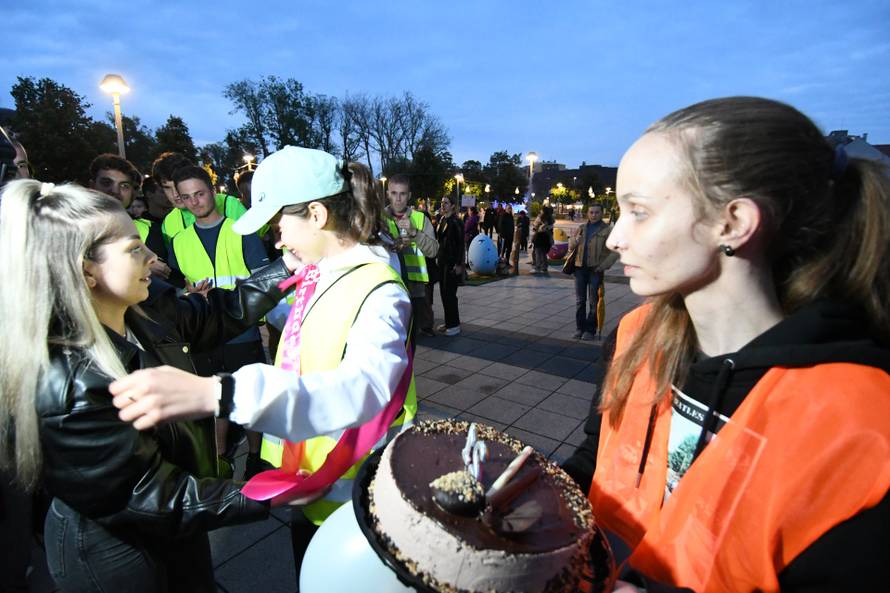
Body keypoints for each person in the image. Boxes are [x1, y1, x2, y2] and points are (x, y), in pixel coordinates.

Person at [578, 97, 890, 592]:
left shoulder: (860, 423)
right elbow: (594, 461)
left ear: (734, 223)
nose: (615, 237)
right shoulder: (635, 337)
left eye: (638, 212)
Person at [109, 146, 417, 585]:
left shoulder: (380, 290)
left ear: (316, 215)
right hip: (312, 483)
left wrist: (223, 393)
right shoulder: (320, 271)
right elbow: (297, 329)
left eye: (278, 225)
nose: (277, 241)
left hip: (355, 494)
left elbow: (366, 387)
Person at [0, 180, 299, 593]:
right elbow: (150, 496)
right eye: (133, 248)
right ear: (86, 271)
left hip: (174, 526)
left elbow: (215, 314)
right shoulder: (68, 381)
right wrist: (268, 494)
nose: (152, 256)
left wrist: (287, 270)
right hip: (120, 553)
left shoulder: (141, 303)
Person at [167, 165, 270, 479]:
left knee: (250, 399)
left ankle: (255, 458)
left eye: (200, 193)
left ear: (213, 192)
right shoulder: (179, 242)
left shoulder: (241, 231)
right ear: (181, 201)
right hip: (203, 335)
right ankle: (221, 459)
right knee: (216, 400)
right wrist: (188, 295)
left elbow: (261, 282)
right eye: (187, 197)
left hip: (242, 332)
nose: (195, 202)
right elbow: (179, 286)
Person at [90, 153, 172, 281]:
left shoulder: (149, 229)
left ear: (132, 194)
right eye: (106, 182)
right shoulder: (73, 228)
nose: (115, 191)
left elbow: (164, 275)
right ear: (92, 186)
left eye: (124, 186)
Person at [152, 152, 247, 247]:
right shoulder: (169, 223)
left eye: (177, 185)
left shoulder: (230, 205)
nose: (175, 194)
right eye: (167, 187)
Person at [384, 173, 439, 339]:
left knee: (410, 341)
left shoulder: (420, 219)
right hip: (387, 288)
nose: (398, 199)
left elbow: (434, 250)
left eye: (402, 194)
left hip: (414, 290)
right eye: (394, 193)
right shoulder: (378, 219)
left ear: (409, 195)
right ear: (388, 194)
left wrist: (415, 232)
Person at [567, 203, 618, 340]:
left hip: (595, 270)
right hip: (579, 269)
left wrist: (603, 266)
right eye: (591, 212)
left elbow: (615, 251)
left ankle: (590, 330)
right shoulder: (582, 228)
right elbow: (571, 247)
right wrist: (575, 240)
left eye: (596, 212)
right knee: (580, 300)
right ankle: (580, 328)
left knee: (594, 301)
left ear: (602, 213)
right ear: (587, 213)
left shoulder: (607, 230)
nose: (593, 215)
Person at [436, 195, 465, 336]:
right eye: (442, 202)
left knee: (450, 294)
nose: (443, 205)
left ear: (452, 205)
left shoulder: (456, 221)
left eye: (446, 203)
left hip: (452, 263)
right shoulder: (442, 219)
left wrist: (459, 264)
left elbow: (460, 245)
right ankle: (448, 323)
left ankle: (454, 325)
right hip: (442, 262)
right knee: (443, 293)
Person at [531, 206, 554, 274]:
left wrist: (537, 227)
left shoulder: (540, 218)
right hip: (546, 239)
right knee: (543, 253)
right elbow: (550, 229)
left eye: (541, 210)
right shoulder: (550, 219)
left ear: (543, 211)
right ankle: (544, 267)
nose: (540, 211)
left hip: (540, 238)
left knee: (538, 252)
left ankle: (538, 266)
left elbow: (536, 228)